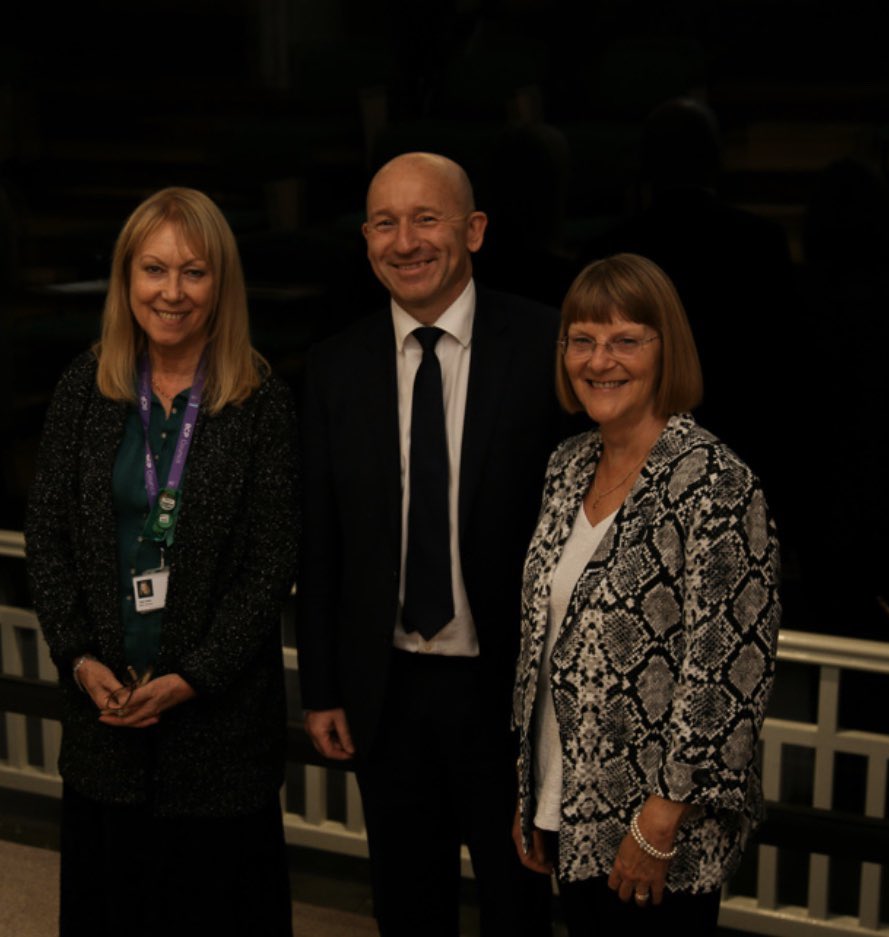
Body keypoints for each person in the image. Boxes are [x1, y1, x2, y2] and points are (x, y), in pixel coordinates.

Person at [297, 152, 564, 936]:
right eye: (385, 221)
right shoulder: (335, 366)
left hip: (506, 693)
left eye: (426, 218)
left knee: (518, 908)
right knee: (408, 908)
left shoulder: (547, 346)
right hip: (387, 692)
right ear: (366, 238)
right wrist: (321, 686)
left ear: (473, 230)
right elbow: (322, 540)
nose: (404, 240)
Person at [25, 187, 299, 937]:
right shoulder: (86, 386)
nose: (172, 291)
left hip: (220, 739)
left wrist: (192, 677)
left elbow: (272, 562)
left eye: (194, 272)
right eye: (154, 269)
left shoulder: (261, 399)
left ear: (222, 285)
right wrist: (79, 658)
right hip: (103, 723)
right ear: (126, 279)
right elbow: (46, 535)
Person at [512, 253, 780, 936]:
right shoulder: (568, 466)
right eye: (582, 339)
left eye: (626, 339)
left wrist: (659, 821)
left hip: (658, 833)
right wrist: (533, 787)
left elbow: (727, 672)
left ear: (667, 351)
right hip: (571, 804)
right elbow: (547, 643)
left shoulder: (714, 481)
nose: (600, 360)